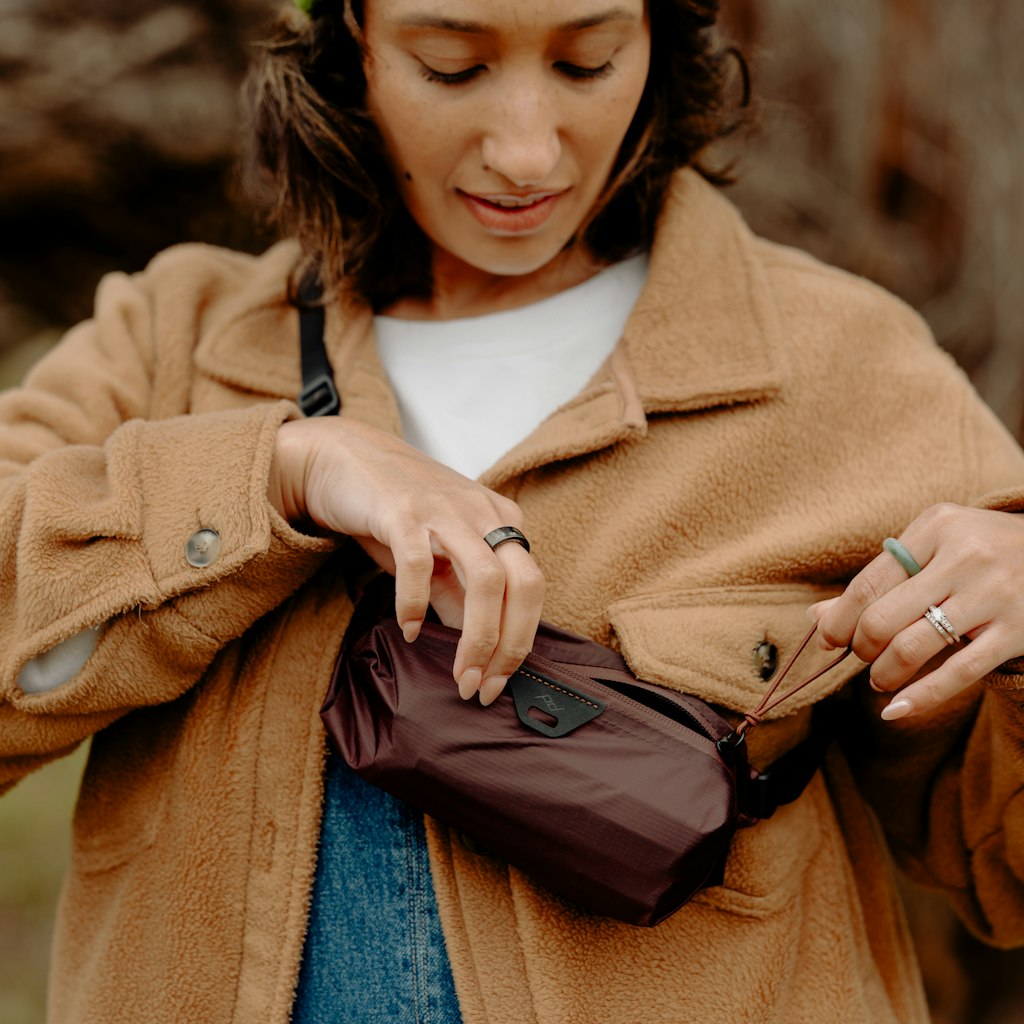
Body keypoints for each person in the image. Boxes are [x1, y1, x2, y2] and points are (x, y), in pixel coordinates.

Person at [3, 0, 1024, 1021]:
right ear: (344, 40)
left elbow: (1004, 875)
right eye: (451, 67)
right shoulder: (166, 344)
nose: (527, 153)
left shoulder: (845, 369)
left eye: (587, 63)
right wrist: (275, 473)